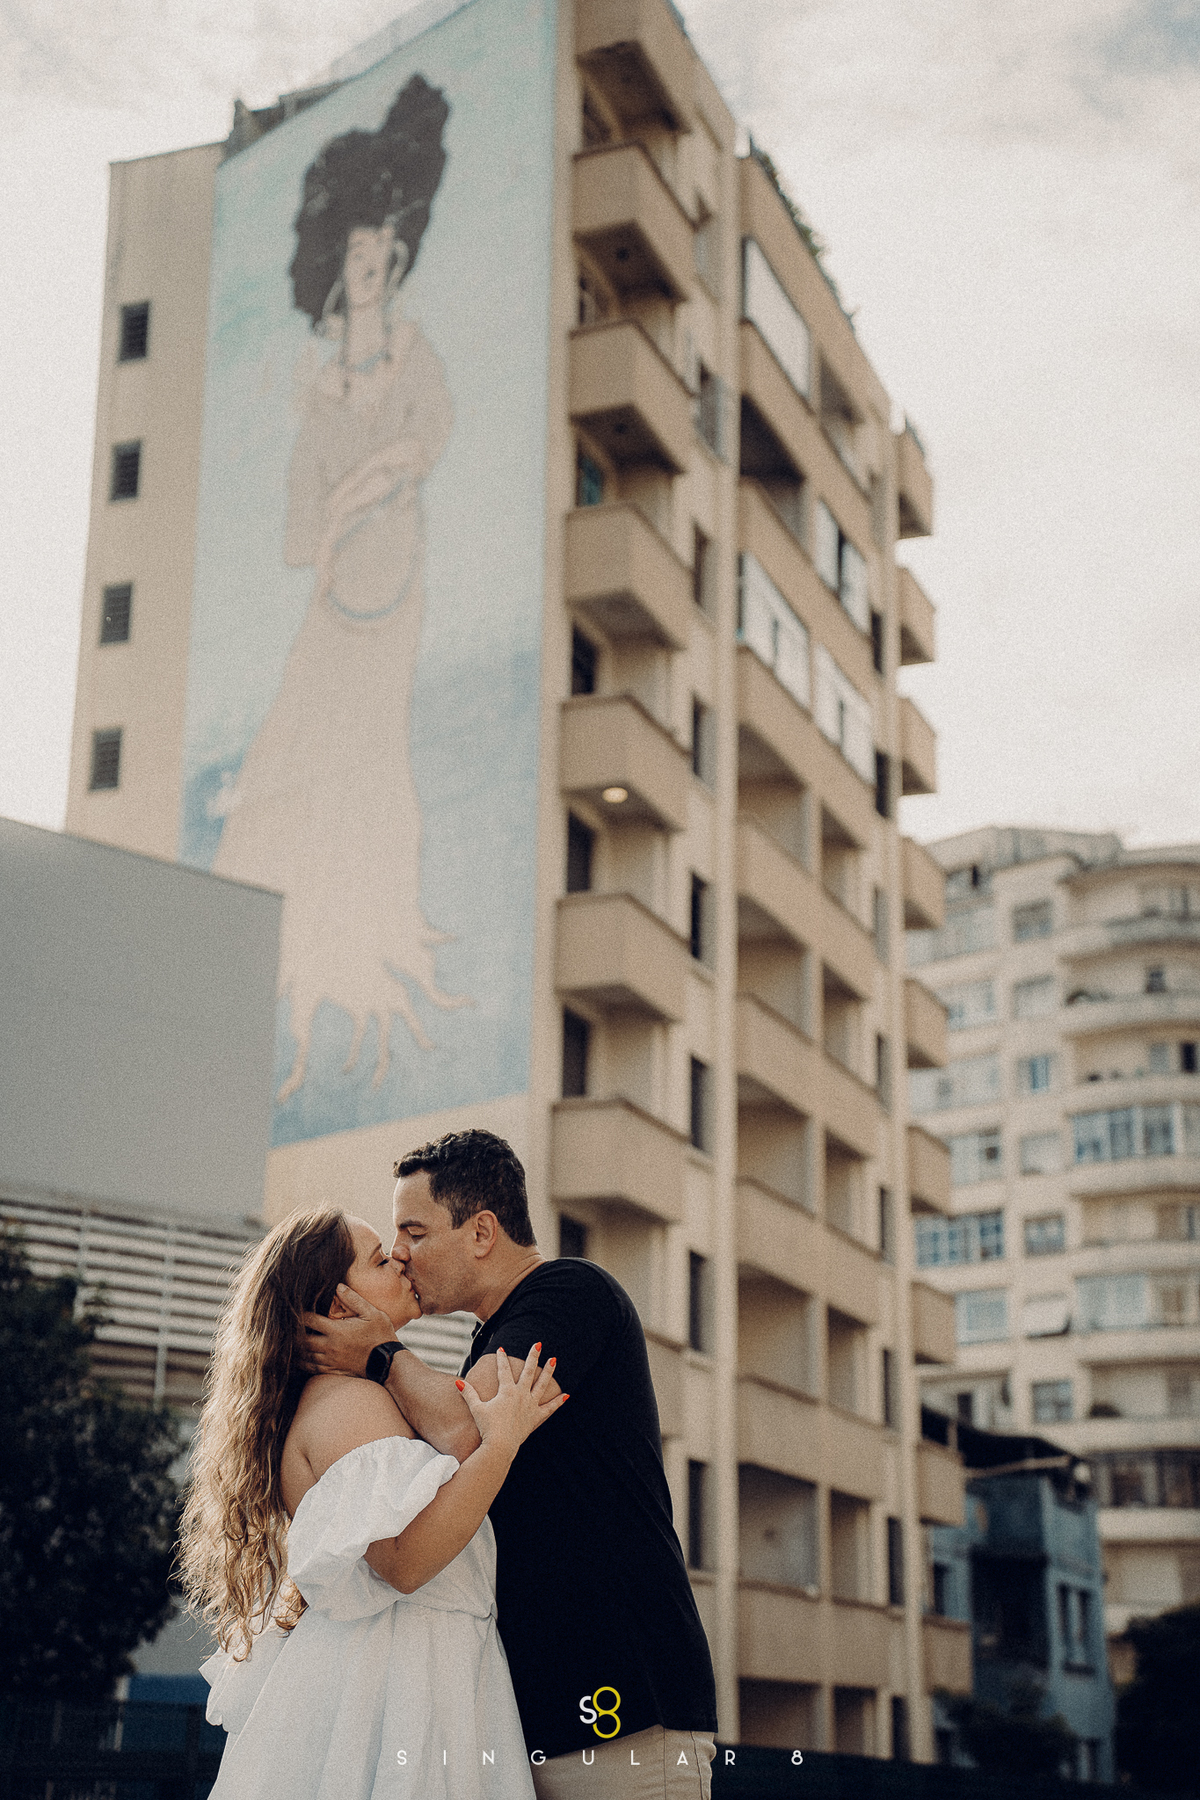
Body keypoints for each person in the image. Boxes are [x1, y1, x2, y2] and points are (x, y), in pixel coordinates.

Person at [304, 1129, 718, 1799]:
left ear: (481, 1231)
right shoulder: (490, 1340)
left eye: (414, 1232)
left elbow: (467, 1427)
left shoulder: (570, 1294)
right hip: (546, 1716)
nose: (401, 1255)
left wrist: (379, 1353)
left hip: (628, 1709)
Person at [210, 73, 469, 1104]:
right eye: (351, 259)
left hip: (395, 592)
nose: (365, 272)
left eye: (378, 256)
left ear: (395, 259)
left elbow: (423, 445)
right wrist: (355, 488)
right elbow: (294, 535)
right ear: (336, 267)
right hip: (335, 603)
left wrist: (365, 486)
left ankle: (361, 936)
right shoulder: (321, 396)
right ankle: (281, 949)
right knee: (301, 748)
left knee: (375, 749)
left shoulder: (418, 356)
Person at [179, 1205, 566, 1799]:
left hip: (417, 1668)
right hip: (400, 1686)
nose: (402, 1261)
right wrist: (502, 1443)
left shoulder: (350, 1399)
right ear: (340, 1307)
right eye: (381, 1259)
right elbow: (404, 1562)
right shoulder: (347, 1404)